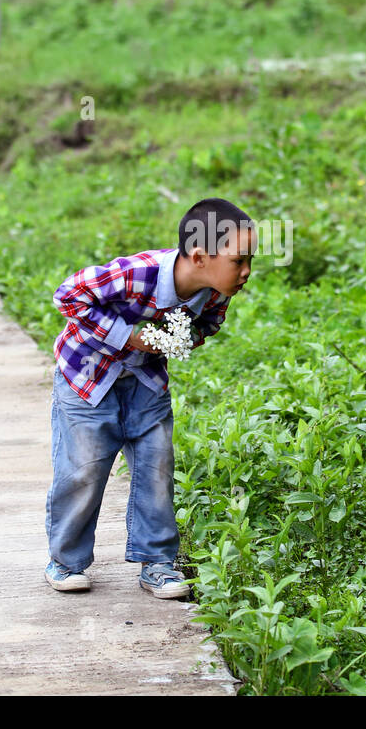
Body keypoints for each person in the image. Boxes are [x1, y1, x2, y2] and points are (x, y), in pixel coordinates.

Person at [45, 197, 256, 598]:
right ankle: (66, 561)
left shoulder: (214, 292)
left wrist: (177, 341)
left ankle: (157, 562)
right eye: (238, 261)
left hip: (145, 381)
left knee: (156, 469)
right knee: (83, 471)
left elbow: (209, 324)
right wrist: (131, 336)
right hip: (87, 378)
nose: (246, 272)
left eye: (250, 261)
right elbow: (67, 296)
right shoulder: (136, 273)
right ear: (199, 256)